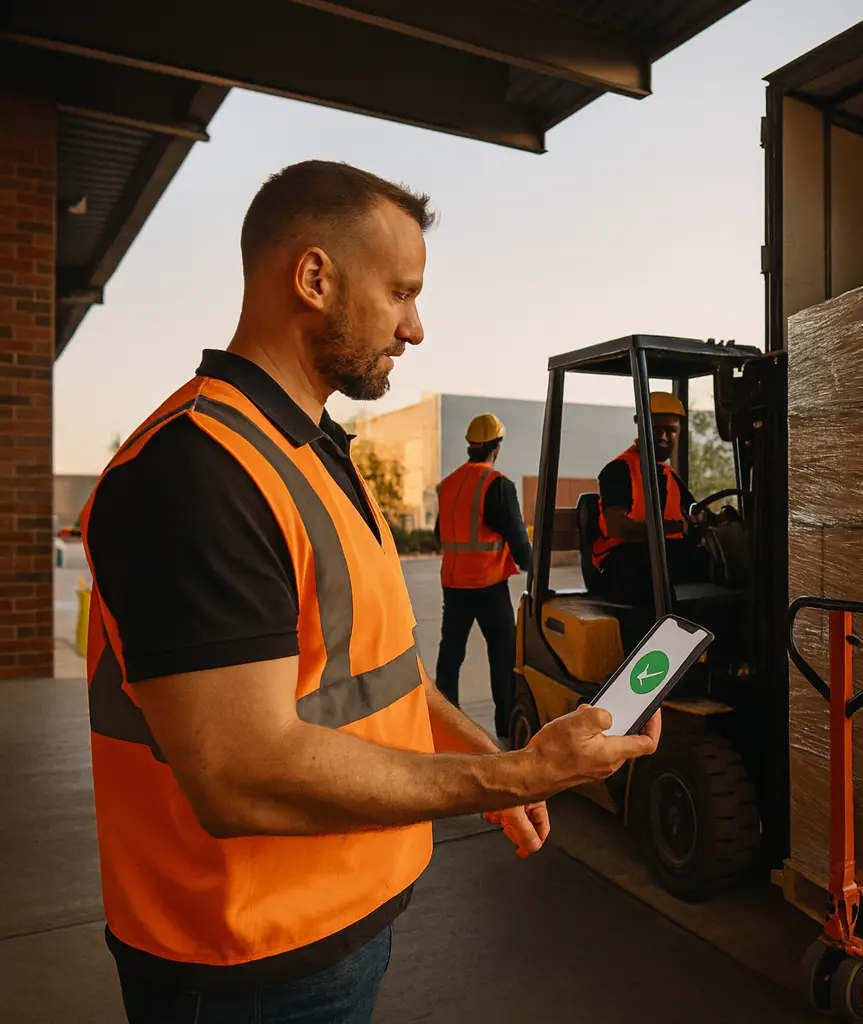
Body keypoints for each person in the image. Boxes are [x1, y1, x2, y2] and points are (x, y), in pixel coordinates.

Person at [79, 159, 659, 1024]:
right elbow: (241, 777)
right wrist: (512, 775)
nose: (415, 328)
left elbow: (382, 678)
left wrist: (494, 765)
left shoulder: (313, 453)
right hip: (247, 968)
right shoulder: (195, 472)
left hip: (340, 925)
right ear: (314, 278)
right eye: (400, 293)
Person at [433, 412, 533, 743]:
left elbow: (440, 534)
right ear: (496, 447)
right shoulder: (497, 485)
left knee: (450, 655)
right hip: (488, 585)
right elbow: (518, 538)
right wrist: (534, 569)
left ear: (470, 445)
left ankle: (444, 723)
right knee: (503, 656)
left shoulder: (448, 485)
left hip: (454, 585)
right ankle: (506, 727)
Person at [592, 392, 711, 605]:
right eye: (656, 429)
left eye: (671, 430)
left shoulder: (669, 474)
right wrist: (675, 527)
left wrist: (713, 521)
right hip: (622, 563)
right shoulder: (619, 470)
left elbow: (695, 511)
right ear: (640, 426)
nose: (663, 437)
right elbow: (618, 527)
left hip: (664, 556)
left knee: (724, 563)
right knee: (647, 568)